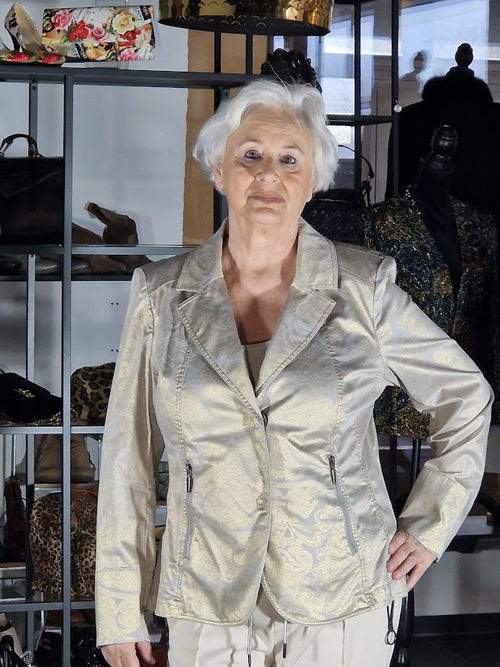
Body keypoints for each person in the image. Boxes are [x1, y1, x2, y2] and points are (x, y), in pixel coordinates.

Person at [95, 79, 493, 667]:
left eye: (290, 160)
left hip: (342, 591)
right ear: (218, 170)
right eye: (250, 155)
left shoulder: (364, 289)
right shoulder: (160, 295)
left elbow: (466, 396)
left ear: (313, 181)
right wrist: (119, 606)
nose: (268, 174)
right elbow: (127, 456)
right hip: (206, 593)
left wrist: (431, 523)